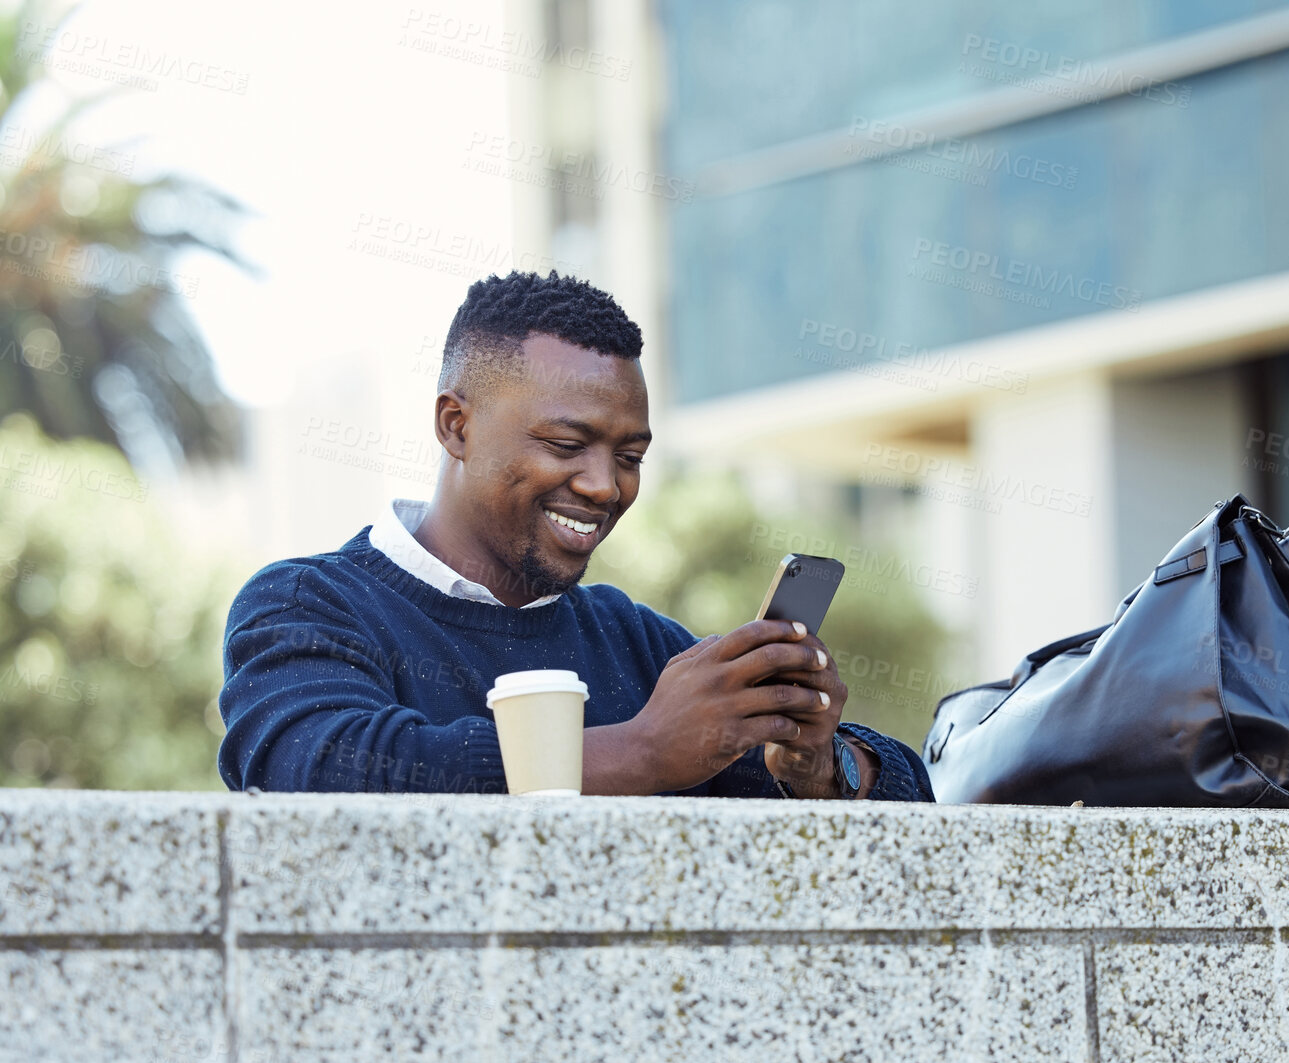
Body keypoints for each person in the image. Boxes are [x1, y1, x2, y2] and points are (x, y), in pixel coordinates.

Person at [218, 271, 932, 802]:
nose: (603, 485)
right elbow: (317, 770)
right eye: (566, 444)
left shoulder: (633, 641)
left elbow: (913, 792)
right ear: (455, 425)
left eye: (629, 457)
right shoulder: (308, 604)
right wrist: (641, 751)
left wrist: (817, 765)